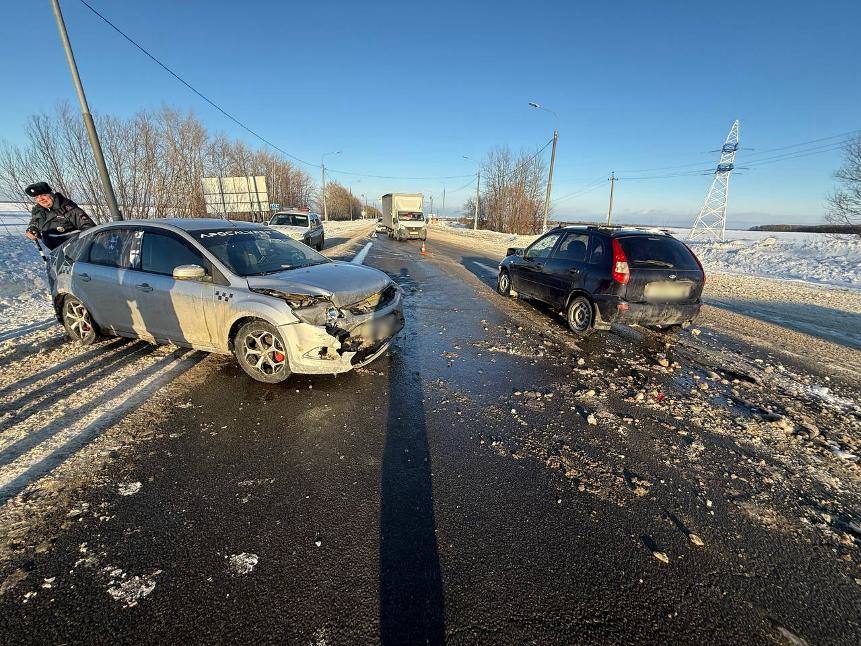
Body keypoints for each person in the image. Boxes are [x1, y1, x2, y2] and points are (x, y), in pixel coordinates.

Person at [24, 182, 95, 250]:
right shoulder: (38, 211)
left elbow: (91, 230)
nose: (40, 199)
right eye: (37, 197)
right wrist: (32, 230)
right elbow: (34, 223)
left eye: (43, 195)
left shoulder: (68, 209)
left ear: (51, 194)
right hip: (57, 254)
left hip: (78, 252)